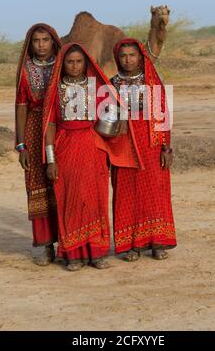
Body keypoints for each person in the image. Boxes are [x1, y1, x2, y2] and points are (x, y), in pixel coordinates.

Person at [43, 43, 140, 271]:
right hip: (65, 146)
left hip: (92, 146)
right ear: (62, 64)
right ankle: (73, 255)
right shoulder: (55, 90)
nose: (75, 66)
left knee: (95, 198)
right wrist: (51, 159)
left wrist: (121, 121)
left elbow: (117, 108)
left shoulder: (97, 88)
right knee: (71, 198)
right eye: (70, 62)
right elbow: (50, 125)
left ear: (85, 63)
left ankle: (97, 253)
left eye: (79, 62)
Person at [111, 38, 177, 261]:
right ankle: (131, 245)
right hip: (123, 144)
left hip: (151, 144)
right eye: (123, 56)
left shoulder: (152, 81)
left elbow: (163, 115)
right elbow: (104, 116)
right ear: (117, 58)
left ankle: (158, 242)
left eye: (132, 55)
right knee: (126, 192)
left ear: (140, 57)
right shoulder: (111, 84)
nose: (128, 60)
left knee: (155, 191)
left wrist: (166, 148)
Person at [15, 23, 62, 265]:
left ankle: (67, 243)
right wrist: (20, 144)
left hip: (61, 131)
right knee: (37, 184)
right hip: (34, 131)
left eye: (45, 39)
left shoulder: (65, 65)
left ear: (53, 41)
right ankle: (44, 245)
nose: (41, 44)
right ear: (30, 44)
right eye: (36, 40)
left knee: (62, 184)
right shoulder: (26, 70)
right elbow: (21, 106)